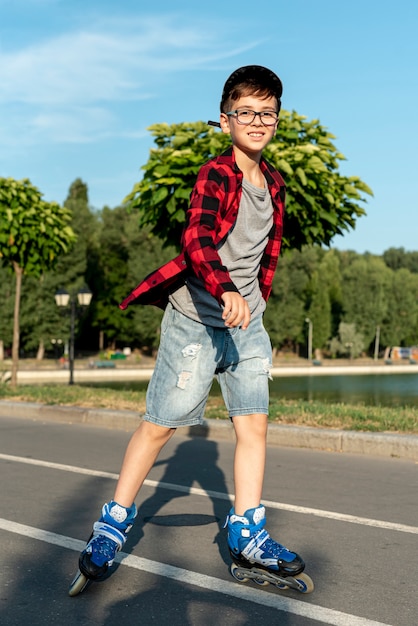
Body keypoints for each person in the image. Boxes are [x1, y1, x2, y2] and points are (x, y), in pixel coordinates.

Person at [76, 65, 306, 585]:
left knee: (254, 423)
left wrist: (252, 301)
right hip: (195, 318)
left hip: (248, 321)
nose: (256, 120)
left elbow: (264, 253)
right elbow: (197, 240)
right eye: (245, 112)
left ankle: (247, 531)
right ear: (226, 121)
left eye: (266, 113)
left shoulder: (274, 183)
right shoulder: (214, 175)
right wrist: (224, 289)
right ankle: (112, 526)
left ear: (276, 121)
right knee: (162, 425)